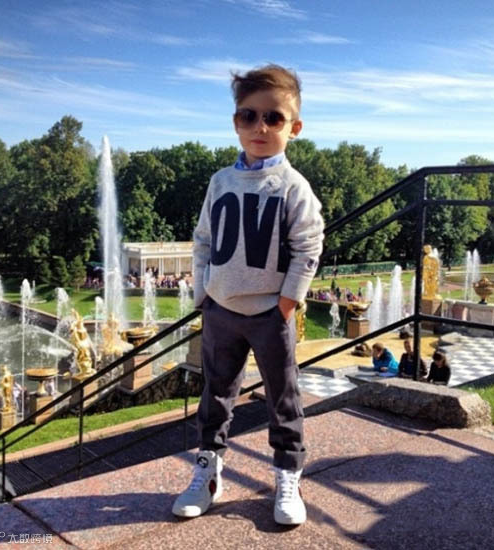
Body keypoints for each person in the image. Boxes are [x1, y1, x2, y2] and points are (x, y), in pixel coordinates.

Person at [172, 64, 324, 526]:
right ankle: (208, 471)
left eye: (273, 118)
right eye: (248, 116)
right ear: (235, 122)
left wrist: (286, 303)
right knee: (215, 396)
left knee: (283, 398)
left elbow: (309, 246)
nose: (260, 127)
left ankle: (288, 475)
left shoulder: (293, 187)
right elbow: (202, 239)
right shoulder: (221, 180)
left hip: (269, 314)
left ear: (294, 128)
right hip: (221, 310)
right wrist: (204, 293)